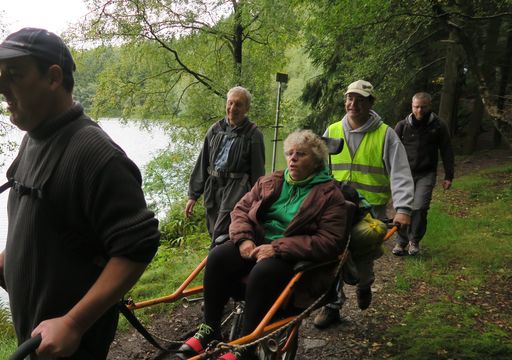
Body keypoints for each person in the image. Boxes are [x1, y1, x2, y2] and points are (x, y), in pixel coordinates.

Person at [0, 28, 160, 359]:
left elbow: (137, 248)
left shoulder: (96, 155)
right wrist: (4, 259)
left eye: (13, 74)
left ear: (53, 78)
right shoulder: (35, 137)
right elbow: (38, 218)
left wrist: (73, 322)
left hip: (70, 345)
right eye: (1, 76)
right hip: (34, 337)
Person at [178, 130, 348, 360]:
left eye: (301, 154)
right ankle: (210, 329)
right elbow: (239, 210)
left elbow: (330, 241)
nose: (293, 158)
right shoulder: (271, 181)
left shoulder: (330, 195)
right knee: (218, 256)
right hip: (256, 244)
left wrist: (278, 248)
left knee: (263, 271)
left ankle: (245, 346)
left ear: (317, 160)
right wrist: (244, 239)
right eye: (289, 153)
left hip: (291, 256)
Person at [315, 80, 414, 329]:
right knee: (331, 256)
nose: (353, 104)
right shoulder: (332, 130)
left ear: (370, 104)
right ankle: (333, 306)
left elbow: (400, 172)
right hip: (335, 208)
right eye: (350, 98)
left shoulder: (385, 135)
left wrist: (402, 209)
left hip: (371, 211)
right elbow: (316, 166)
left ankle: (364, 284)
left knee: (363, 259)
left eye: (360, 100)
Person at [185, 86, 266, 244]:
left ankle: (213, 264)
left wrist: (258, 201)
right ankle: (225, 261)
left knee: (221, 231)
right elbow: (202, 163)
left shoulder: (253, 134)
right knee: (213, 228)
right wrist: (193, 195)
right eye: (230, 103)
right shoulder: (215, 130)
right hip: (213, 187)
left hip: (236, 189)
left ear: (246, 108)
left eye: (238, 104)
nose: (232, 108)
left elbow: (258, 171)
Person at [393, 92, 454, 256]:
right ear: (412, 106)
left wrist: (449, 176)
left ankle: (414, 241)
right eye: (416, 106)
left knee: (419, 207)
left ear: (429, 106)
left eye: (423, 107)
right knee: (403, 207)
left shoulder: (439, 126)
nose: (419, 110)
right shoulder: (402, 126)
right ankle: (400, 242)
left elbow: (447, 150)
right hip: (404, 174)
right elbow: (390, 151)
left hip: (426, 173)